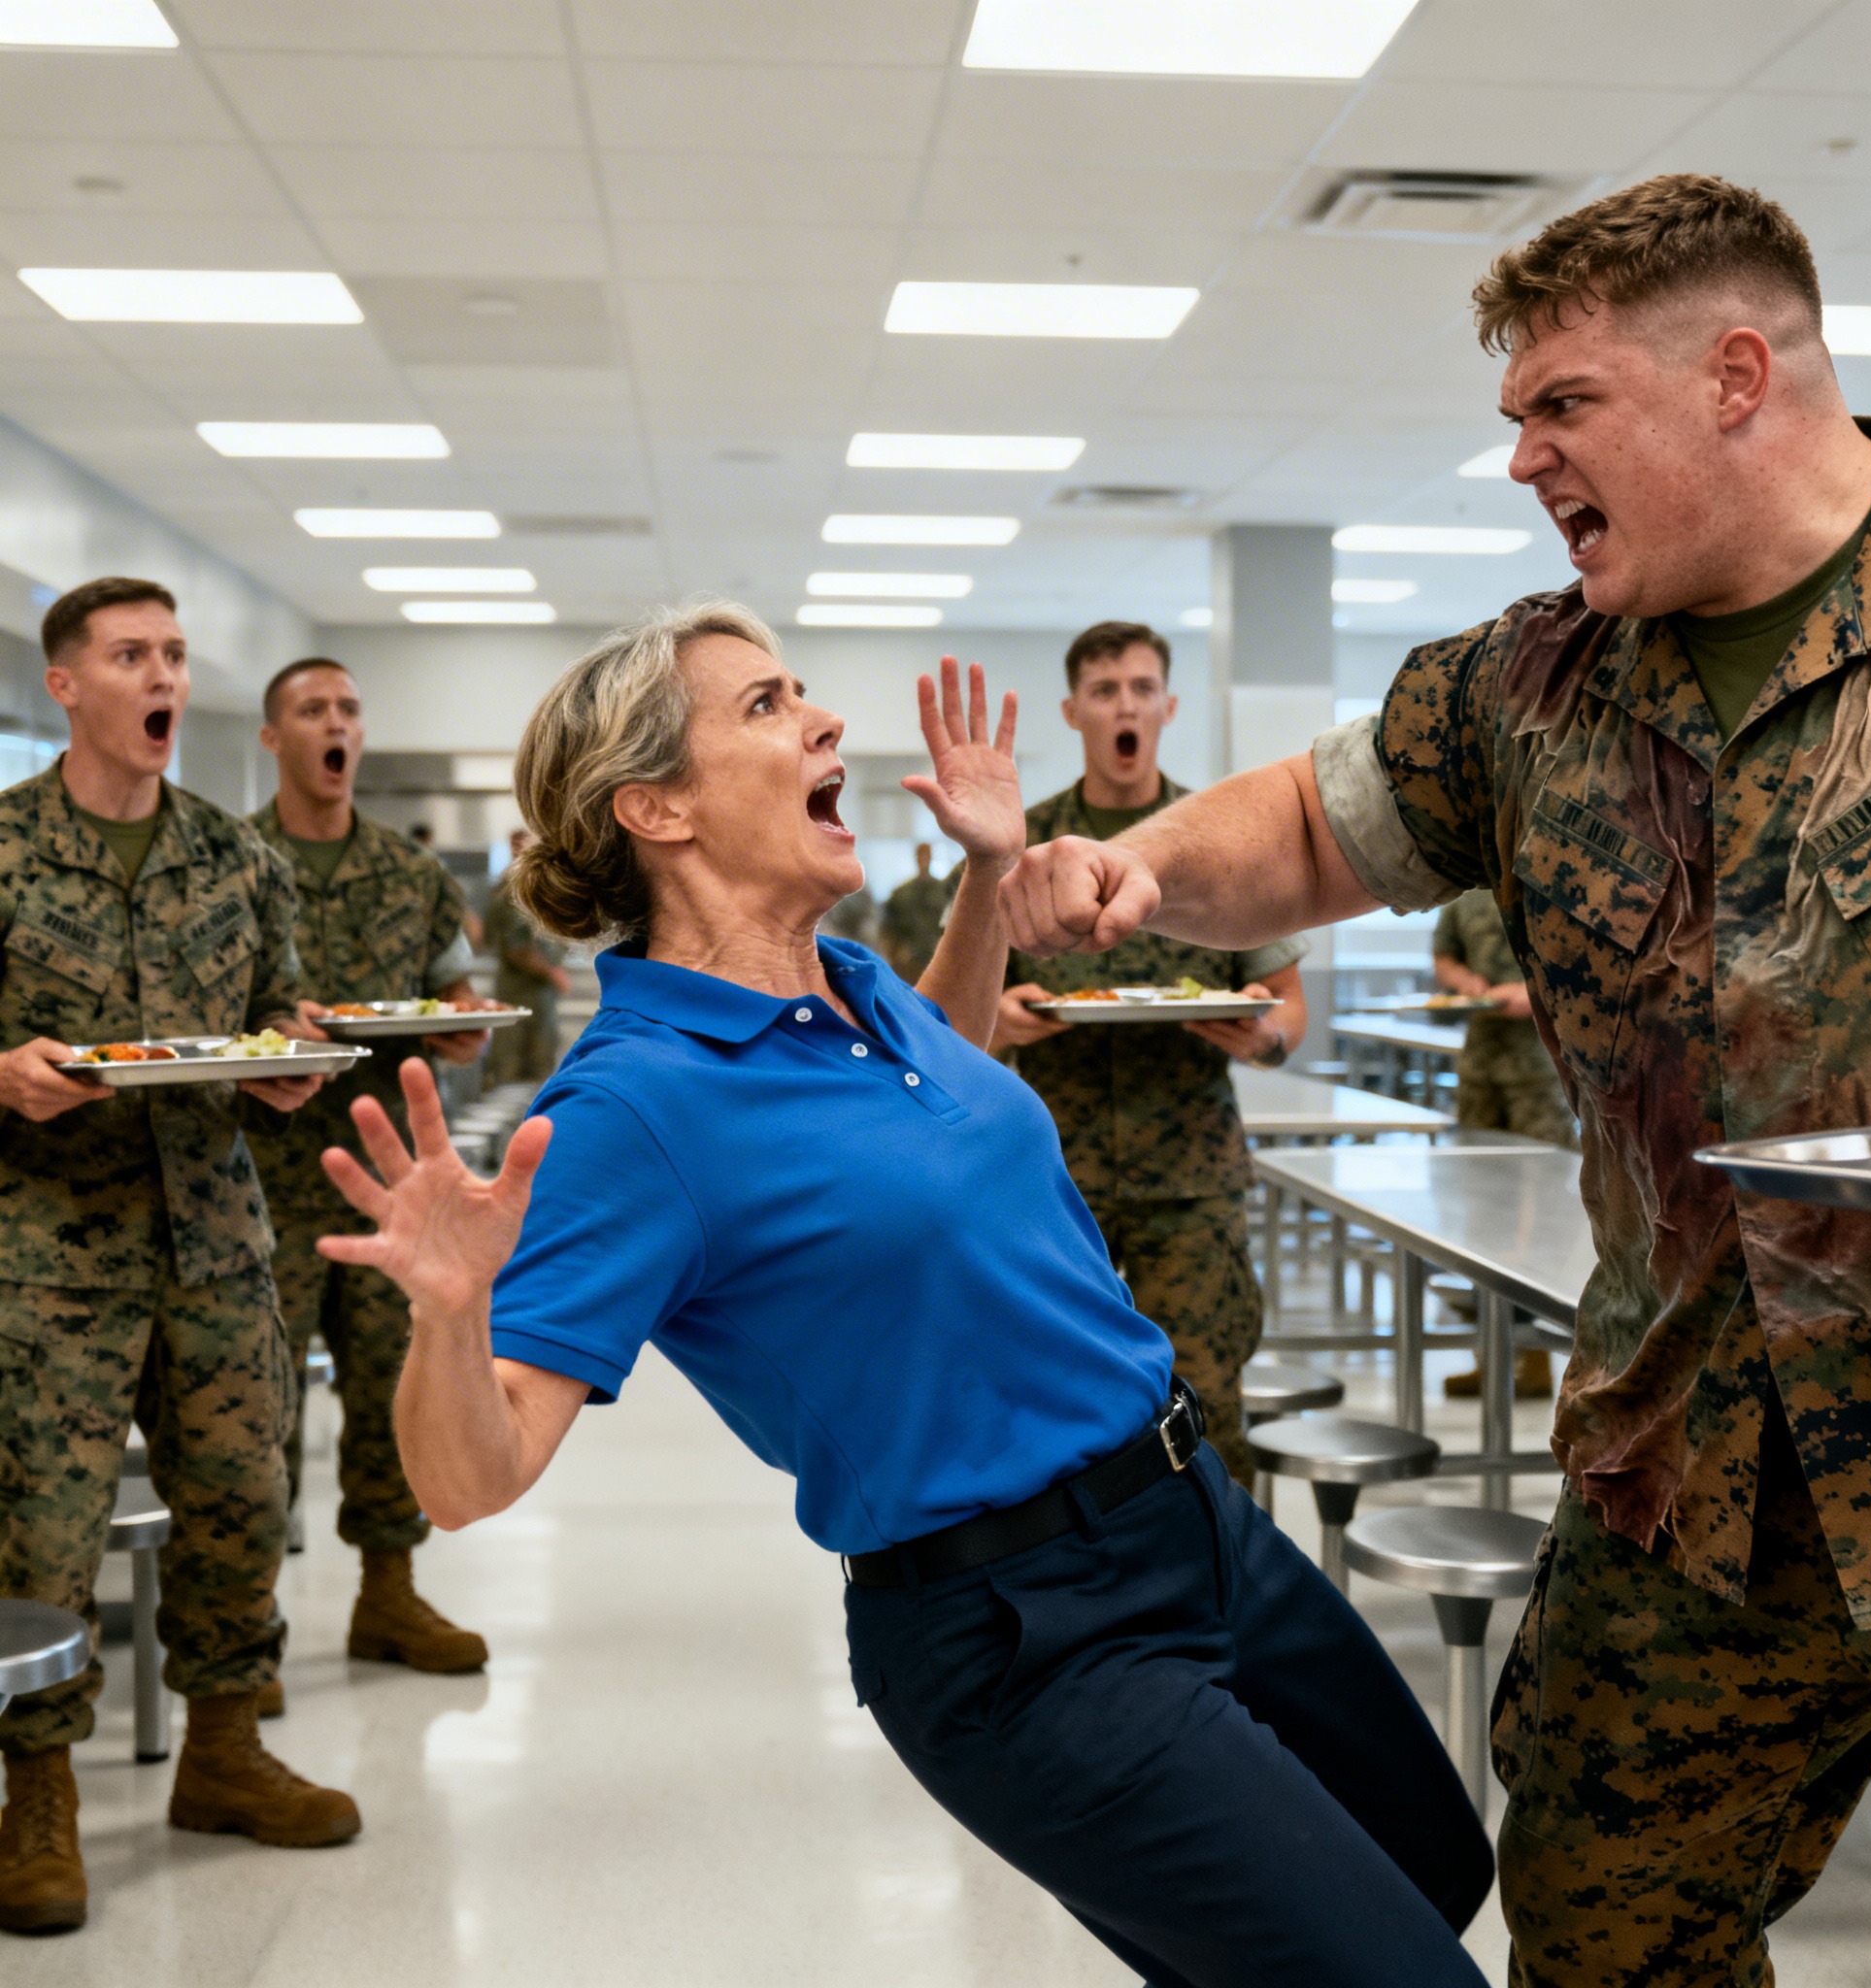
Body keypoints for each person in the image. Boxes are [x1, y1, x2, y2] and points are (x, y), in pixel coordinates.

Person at [1000, 173, 1871, 1987]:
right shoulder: (1525, 686)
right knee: (1606, 1939)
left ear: (1735, 376)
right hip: (1689, 1468)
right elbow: (1309, 819)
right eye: (1511, 416)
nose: (1523, 459)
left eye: (1560, 407)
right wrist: (1145, 876)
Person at [314, 605, 1492, 1987]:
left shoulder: (856, 983)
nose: (822, 722)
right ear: (657, 808)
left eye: (803, 692)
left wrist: (993, 875)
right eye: (764, 706)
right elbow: (475, 1477)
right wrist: (449, 1316)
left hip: (1195, 1516)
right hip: (1028, 1636)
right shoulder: (633, 1108)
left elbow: (948, 1048)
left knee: (1438, 1866)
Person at [0, 579, 359, 1938]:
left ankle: (222, 1749)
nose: (161, 676)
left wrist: (291, 1057)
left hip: (215, 1237)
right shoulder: (3, 850)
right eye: (131, 655)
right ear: (67, 687)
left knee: (236, 1499)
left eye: (173, 654)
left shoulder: (233, 857)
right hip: (48, 1255)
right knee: (44, 1526)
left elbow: (276, 1016)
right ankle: (35, 1796)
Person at [992, 621, 1307, 1483]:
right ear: (1074, 711)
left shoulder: (1222, 839)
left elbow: (1287, 1011)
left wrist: (1264, 1036)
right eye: (1104, 691)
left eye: (1140, 688)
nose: (1124, 705)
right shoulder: (1027, 850)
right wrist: (999, 1019)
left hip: (1193, 1179)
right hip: (1054, 1181)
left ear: (1167, 705)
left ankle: (1225, 1605)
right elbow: (948, 1012)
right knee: (1056, 1413)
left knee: (1206, 1413)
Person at [244, 656, 494, 1688]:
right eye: (313, 709)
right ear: (275, 737)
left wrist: (463, 1028)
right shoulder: (230, 861)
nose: (335, 723)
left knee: (393, 1388)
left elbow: (450, 994)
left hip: (390, 1182)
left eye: (348, 707)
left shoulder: (411, 874)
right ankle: (240, 1634)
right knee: (250, 1416)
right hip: (255, 1186)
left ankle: (387, 1594)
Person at [1429, 888, 1576, 1402]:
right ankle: (1490, 1356)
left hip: (1540, 1070)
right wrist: (1464, 982)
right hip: (1482, 1066)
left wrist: (1532, 991)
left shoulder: (1547, 880)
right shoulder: (1463, 892)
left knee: (1540, 1213)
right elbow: (1444, 955)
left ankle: (1535, 1359)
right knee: (1482, 1211)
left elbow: (1586, 963)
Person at [484, 829, 568, 1088]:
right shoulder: (516, 888)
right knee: (519, 1076)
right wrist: (552, 972)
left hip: (533, 996)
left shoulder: (524, 883)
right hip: (522, 995)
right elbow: (517, 948)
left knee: (533, 1072)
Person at [878, 842, 952, 979]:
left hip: (939, 961)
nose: (924, 859)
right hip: (909, 965)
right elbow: (889, 931)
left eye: (926, 855)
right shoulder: (901, 894)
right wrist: (896, 956)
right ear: (916, 857)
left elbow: (953, 927)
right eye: (920, 855)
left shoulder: (945, 892)